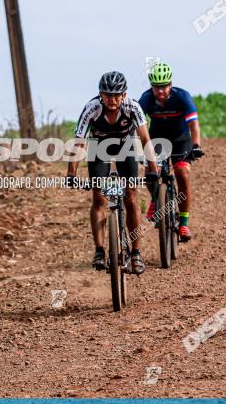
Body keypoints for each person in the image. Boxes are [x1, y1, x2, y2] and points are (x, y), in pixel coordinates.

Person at [66, 71, 159, 274]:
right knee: (99, 198)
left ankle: (136, 254)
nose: (112, 99)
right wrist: (71, 173)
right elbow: (79, 141)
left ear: (124, 94)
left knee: (131, 198)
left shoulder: (133, 106)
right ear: (100, 94)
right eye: (108, 95)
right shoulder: (92, 108)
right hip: (99, 147)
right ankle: (100, 251)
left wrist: (153, 169)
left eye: (117, 95)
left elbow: (145, 139)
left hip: (126, 146)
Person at [138, 62, 203, 241]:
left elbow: (193, 124)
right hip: (158, 140)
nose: (160, 91)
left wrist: (196, 145)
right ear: (151, 86)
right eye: (156, 87)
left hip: (180, 140)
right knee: (152, 171)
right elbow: (136, 125)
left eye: (164, 86)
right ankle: (154, 200)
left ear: (171, 84)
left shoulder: (182, 97)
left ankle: (183, 223)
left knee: (182, 172)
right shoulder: (146, 99)